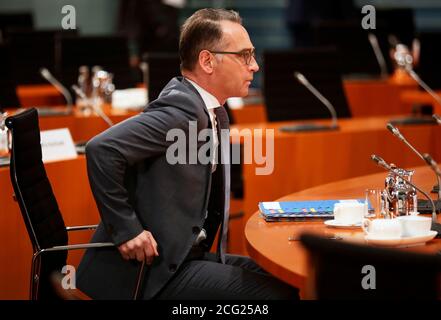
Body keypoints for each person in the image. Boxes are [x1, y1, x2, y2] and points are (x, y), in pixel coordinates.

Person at [77, 8, 298, 300]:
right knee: (276, 296)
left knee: (287, 283)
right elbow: (101, 149)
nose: (254, 65)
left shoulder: (209, 109)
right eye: (244, 55)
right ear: (207, 61)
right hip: (150, 276)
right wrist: (127, 231)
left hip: (184, 258)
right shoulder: (179, 113)